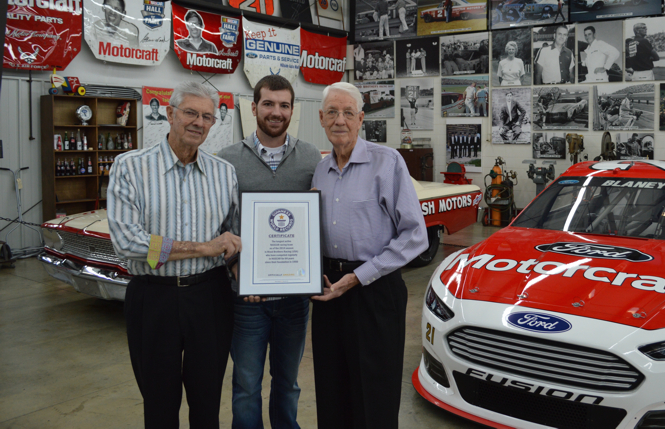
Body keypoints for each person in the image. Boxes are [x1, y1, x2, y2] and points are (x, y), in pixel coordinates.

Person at [107, 81, 240, 428]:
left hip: (210, 297)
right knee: (160, 404)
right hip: (154, 297)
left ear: (214, 123)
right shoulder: (130, 167)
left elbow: (234, 238)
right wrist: (202, 247)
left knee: (207, 402)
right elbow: (127, 242)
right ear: (169, 114)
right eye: (190, 113)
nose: (198, 122)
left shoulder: (224, 174)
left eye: (207, 116)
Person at [310, 82, 427, 429]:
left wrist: (359, 277)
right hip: (330, 291)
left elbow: (415, 235)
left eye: (348, 112)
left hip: (374, 290)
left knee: (374, 393)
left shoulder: (386, 162)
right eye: (332, 112)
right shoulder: (320, 170)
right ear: (321, 118)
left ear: (362, 119)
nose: (340, 120)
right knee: (331, 390)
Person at [217, 75, 321, 429]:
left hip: (295, 299)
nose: (276, 112)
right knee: (246, 385)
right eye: (268, 104)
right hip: (248, 300)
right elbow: (218, 224)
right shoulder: (227, 160)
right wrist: (233, 265)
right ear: (254, 107)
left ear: (293, 109)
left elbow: (318, 220)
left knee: (288, 384)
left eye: (284, 105)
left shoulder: (310, 156)